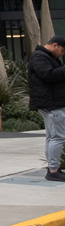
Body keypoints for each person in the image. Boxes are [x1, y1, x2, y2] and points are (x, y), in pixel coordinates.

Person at [29, 34, 65, 182]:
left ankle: (53, 168)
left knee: (52, 137)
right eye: (62, 50)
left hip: (51, 102)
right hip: (51, 104)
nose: (62, 54)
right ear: (55, 45)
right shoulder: (39, 57)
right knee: (57, 137)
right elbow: (48, 75)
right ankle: (53, 171)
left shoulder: (48, 57)